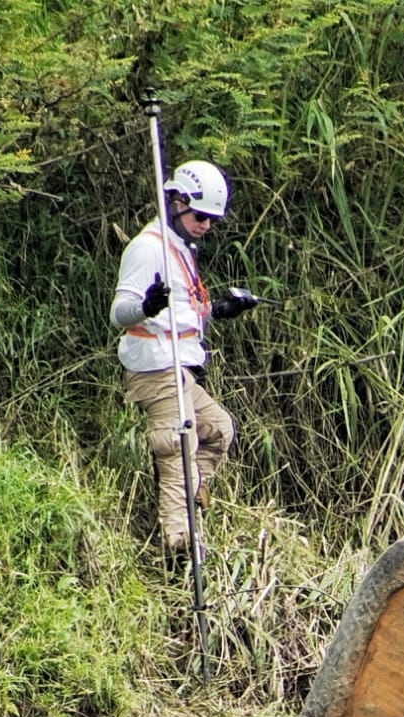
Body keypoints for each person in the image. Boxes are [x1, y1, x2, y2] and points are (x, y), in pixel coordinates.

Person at [109, 160, 257, 558]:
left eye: (211, 219)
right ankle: (178, 543)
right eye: (200, 216)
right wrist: (145, 307)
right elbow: (118, 312)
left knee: (219, 430)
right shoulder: (147, 248)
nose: (206, 225)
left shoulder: (180, 249)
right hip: (155, 367)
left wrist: (221, 309)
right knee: (179, 441)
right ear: (175, 202)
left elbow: (186, 312)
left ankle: (187, 497)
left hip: (181, 367)